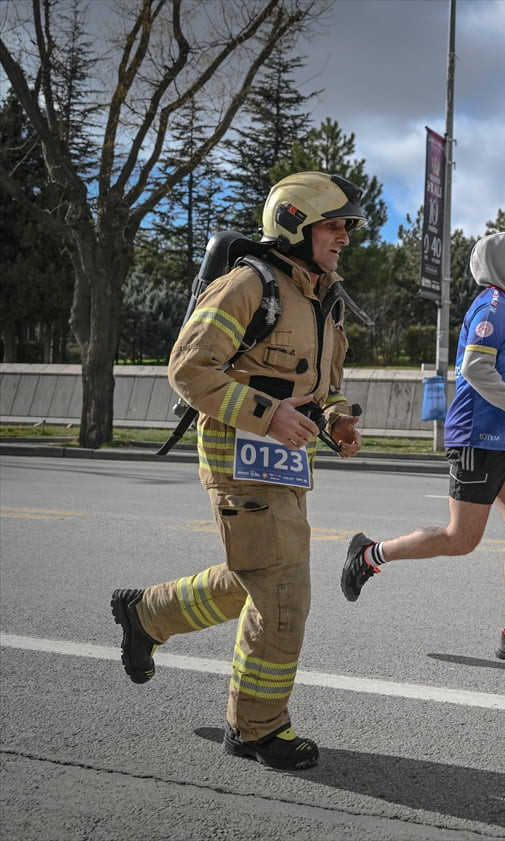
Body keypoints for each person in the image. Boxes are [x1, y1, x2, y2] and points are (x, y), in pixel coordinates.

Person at [110, 171, 369, 769]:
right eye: (333, 226)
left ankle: (146, 614)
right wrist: (267, 415)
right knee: (283, 591)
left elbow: (322, 387)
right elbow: (189, 368)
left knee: (258, 574)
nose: (344, 237)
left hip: (289, 464)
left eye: (346, 227)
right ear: (295, 225)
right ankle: (256, 728)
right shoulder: (249, 286)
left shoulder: (323, 300)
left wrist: (336, 419)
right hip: (238, 457)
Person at [340, 231, 505, 664]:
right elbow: (475, 369)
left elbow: (494, 371)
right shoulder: (493, 306)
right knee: (460, 539)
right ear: (503, 265)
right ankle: (369, 554)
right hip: (479, 439)